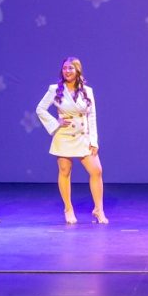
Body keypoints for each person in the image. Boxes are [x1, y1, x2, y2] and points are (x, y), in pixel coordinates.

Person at [35, 57, 107, 224]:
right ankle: (68, 208)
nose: (67, 71)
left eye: (70, 68)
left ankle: (99, 209)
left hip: (83, 136)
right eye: (65, 68)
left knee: (96, 171)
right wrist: (55, 122)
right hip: (65, 136)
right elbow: (40, 109)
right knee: (65, 171)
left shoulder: (87, 91)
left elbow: (92, 116)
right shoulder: (55, 89)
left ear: (77, 70)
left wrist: (94, 141)